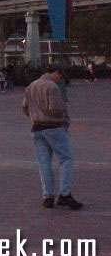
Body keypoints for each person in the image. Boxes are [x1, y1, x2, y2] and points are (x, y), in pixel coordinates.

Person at [22, 65, 83, 210]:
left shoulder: (31, 86)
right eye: (60, 76)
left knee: (44, 163)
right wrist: (64, 119)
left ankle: (48, 196)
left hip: (37, 127)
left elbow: (24, 106)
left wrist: (34, 116)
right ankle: (65, 194)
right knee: (66, 159)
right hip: (53, 127)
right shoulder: (52, 87)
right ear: (55, 73)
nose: (60, 79)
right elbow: (56, 109)